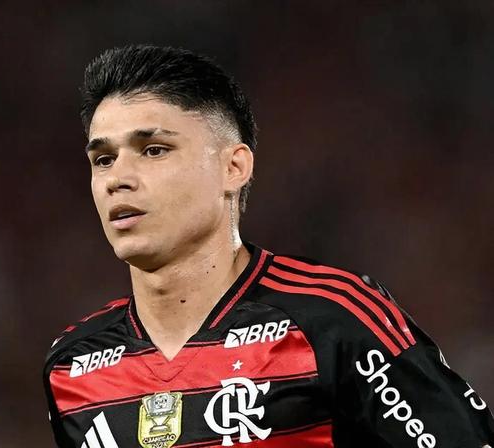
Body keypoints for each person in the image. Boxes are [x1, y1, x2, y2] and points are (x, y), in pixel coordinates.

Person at [42, 44, 493, 448]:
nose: (118, 178)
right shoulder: (72, 365)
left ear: (233, 168)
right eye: (103, 159)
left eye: (154, 149)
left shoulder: (333, 318)